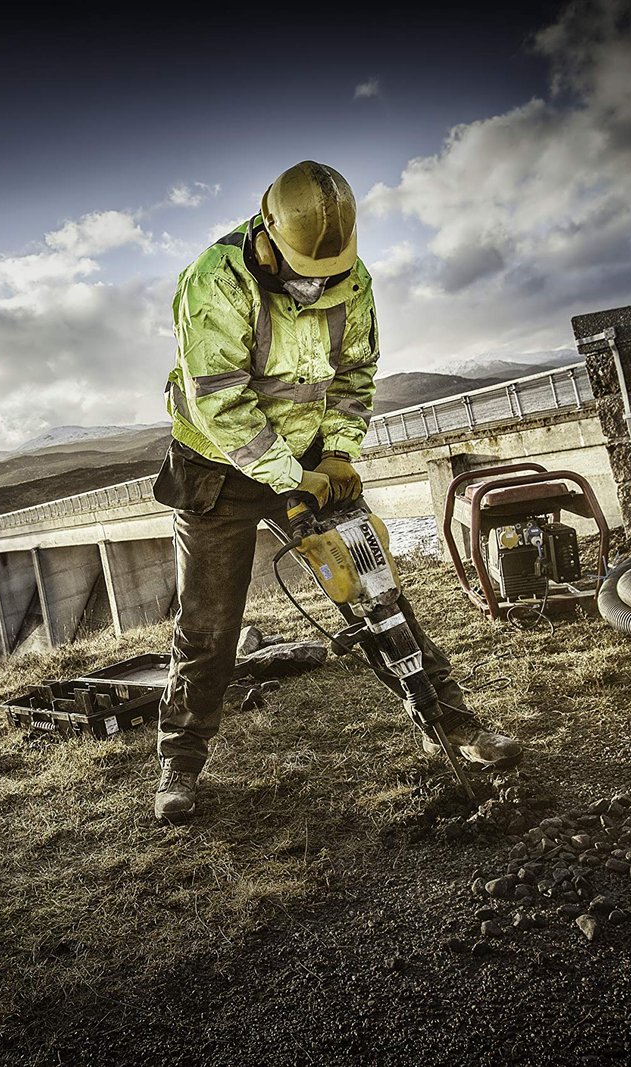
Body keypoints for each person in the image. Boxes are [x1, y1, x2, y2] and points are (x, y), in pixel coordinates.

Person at [150, 160, 521, 823]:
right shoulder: (214, 282)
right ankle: (179, 765)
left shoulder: (351, 278)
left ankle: (455, 727)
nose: (317, 281)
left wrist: (342, 452)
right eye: (305, 268)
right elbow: (218, 401)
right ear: (267, 228)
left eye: (329, 269)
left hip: (311, 459)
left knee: (378, 595)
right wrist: (293, 479)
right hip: (220, 472)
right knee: (207, 629)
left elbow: (355, 373)